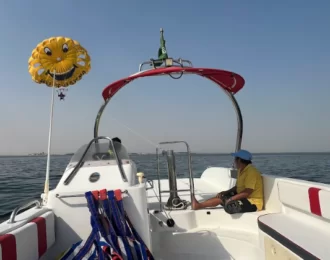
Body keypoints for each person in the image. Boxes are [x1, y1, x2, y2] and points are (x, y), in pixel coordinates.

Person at [191, 149, 264, 214]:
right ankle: (199, 205)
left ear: (239, 160)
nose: (234, 161)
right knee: (222, 196)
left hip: (253, 202)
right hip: (244, 198)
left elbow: (248, 192)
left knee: (229, 206)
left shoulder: (251, 171)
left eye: (235, 159)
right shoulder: (241, 170)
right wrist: (225, 192)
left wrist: (231, 199)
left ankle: (199, 205)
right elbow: (237, 187)